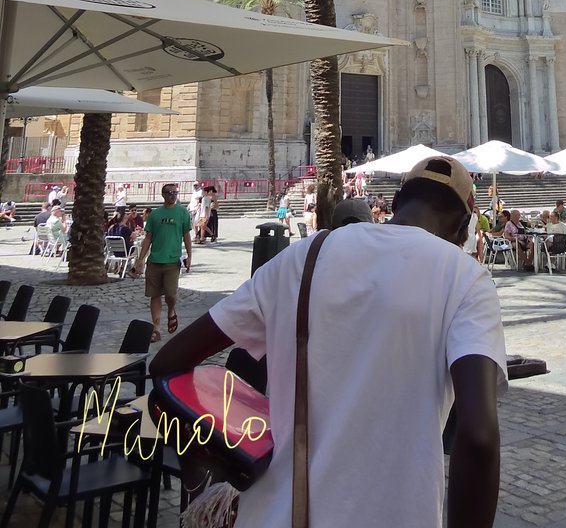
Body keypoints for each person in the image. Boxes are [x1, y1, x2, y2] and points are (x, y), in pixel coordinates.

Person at [150, 154, 505, 528]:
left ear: (396, 202)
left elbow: (167, 363)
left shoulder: (301, 257)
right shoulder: (466, 279)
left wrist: (220, 453)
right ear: (462, 228)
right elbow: (479, 437)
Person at [132, 183, 192, 342]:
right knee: (155, 295)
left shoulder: (182, 213)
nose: (173, 195)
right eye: (170, 192)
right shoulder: (155, 215)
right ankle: (156, 328)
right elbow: (148, 238)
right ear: (163, 195)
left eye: (175, 192)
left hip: (172, 261)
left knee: (171, 294)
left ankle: (171, 310)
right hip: (154, 261)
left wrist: (189, 256)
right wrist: (141, 259)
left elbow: (186, 235)